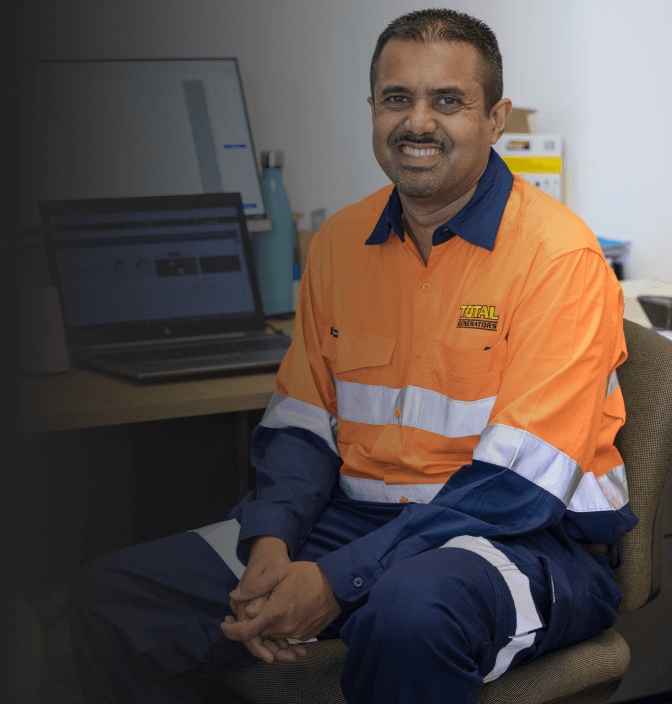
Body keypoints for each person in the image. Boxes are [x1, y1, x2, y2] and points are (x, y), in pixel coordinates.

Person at [69, 8, 638, 704]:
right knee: (119, 595)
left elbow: (516, 489)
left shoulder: (559, 258)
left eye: (448, 101)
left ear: (495, 119)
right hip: (356, 520)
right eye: (397, 98)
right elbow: (302, 428)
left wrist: (336, 583)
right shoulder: (340, 244)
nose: (418, 123)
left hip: (523, 539)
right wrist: (272, 546)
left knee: (409, 612)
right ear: (374, 109)